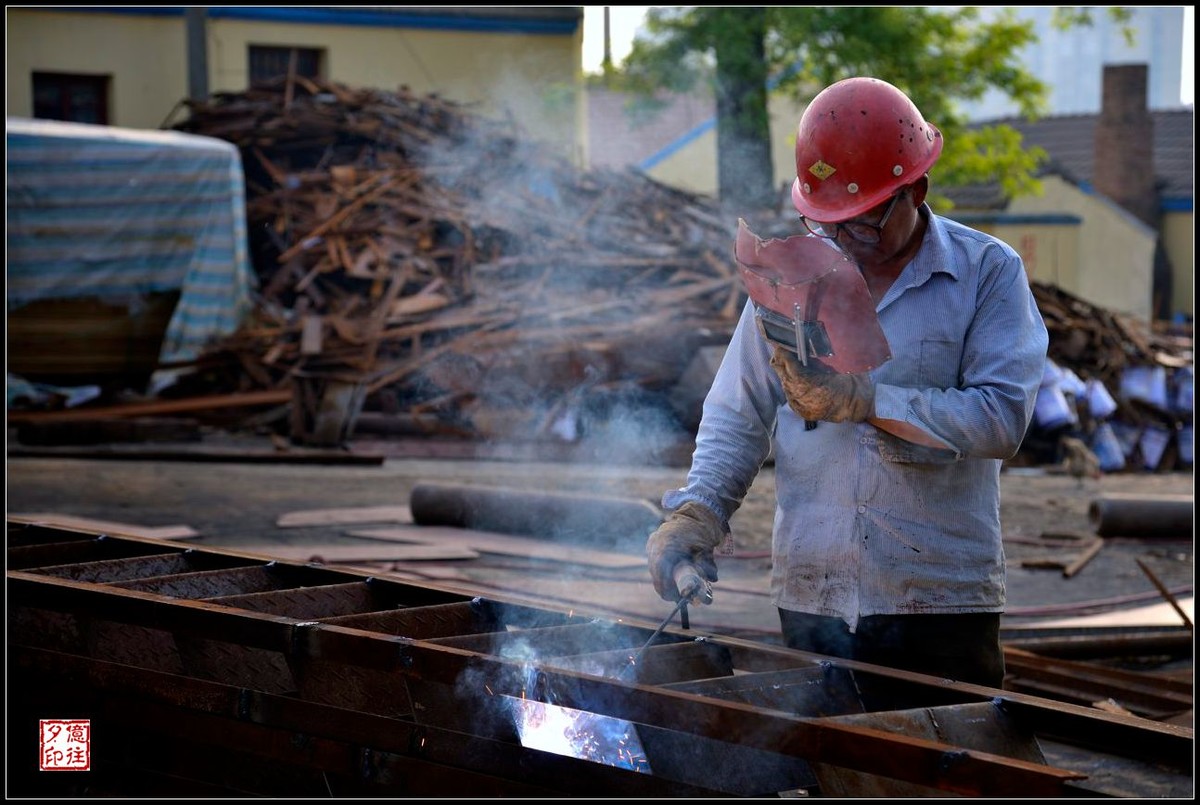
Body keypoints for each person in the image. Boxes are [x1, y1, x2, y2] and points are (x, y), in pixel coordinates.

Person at [645, 76, 1049, 705]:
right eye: (830, 224)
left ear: (916, 191)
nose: (845, 242)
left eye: (863, 224)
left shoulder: (986, 273)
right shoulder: (793, 279)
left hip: (938, 602)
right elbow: (737, 412)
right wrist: (700, 510)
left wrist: (869, 403)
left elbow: (1001, 418)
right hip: (815, 594)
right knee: (824, 757)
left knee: (943, 760)